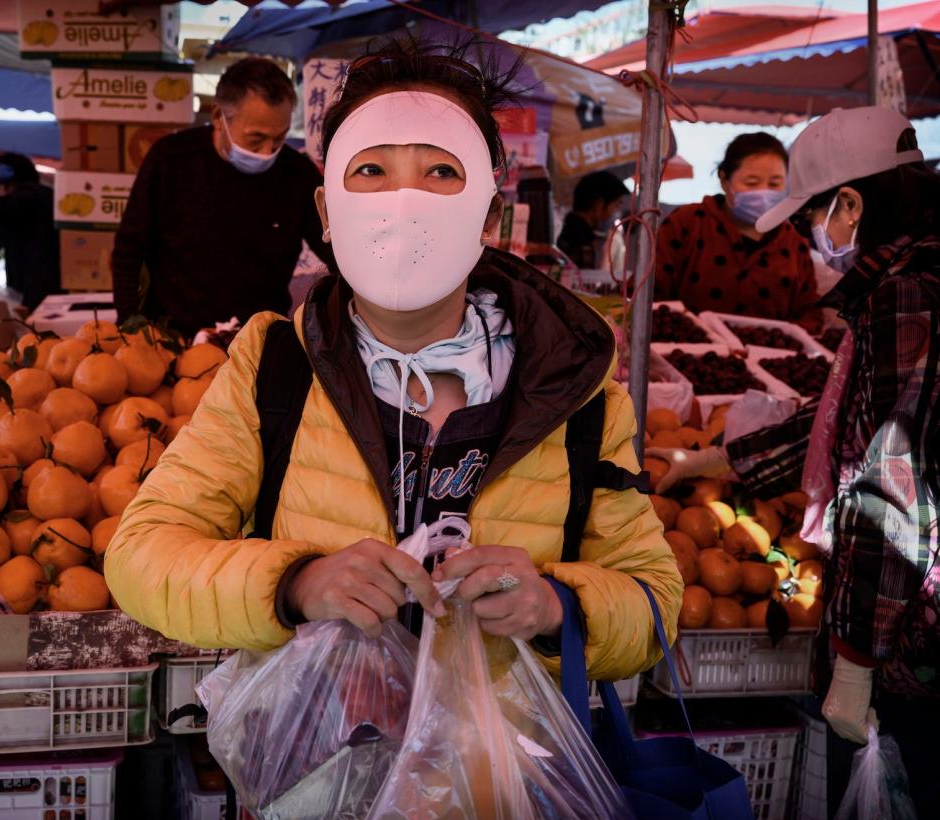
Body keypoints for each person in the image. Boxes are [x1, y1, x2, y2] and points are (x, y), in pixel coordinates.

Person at [106, 40, 681, 687]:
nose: (405, 201)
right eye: (372, 171)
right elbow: (141, 557)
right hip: (323, 767)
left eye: (440, 172)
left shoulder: (577, 383)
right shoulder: (274, 367)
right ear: (325, 212)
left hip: (500, 771)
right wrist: (295, 582)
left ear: (491, 214)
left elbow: (655, 597)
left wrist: (556, 605)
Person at [648, 106, 940, 820]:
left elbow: (890, 486)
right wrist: (711, 457)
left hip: (914, 639)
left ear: (851, 204)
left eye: (816, 212)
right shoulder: (920, 279)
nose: (817, 235)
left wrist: (855, 661)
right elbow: (849, 425)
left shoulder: (905, 296)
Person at [112, 57, 336, 337]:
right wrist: (131, 325)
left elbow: (335, 250)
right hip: (174, 337)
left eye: (278, 139)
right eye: (255, 139)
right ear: (218, 117)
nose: (268, 151)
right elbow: (128, 250)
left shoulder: (297, 173)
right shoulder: (170, 160)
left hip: (261, 339)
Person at [654, 133, 823, 331]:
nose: (763, 193)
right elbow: (650, 296)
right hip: (682, 354)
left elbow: (809, 314)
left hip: (770, 359)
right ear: (724, 180)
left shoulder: (794, 244)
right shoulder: (686, 224)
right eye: (751, 183)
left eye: (775, 184)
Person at [0, 154, 60, 309]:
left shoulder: (25, 197)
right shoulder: (45, 195)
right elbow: (16, 228)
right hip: (49, 284)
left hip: (34, 286)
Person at [557, 170, 629, 269]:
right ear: (599, 205)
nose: (615, 213)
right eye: (615, 205)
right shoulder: (579, 241)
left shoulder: (569, 231)